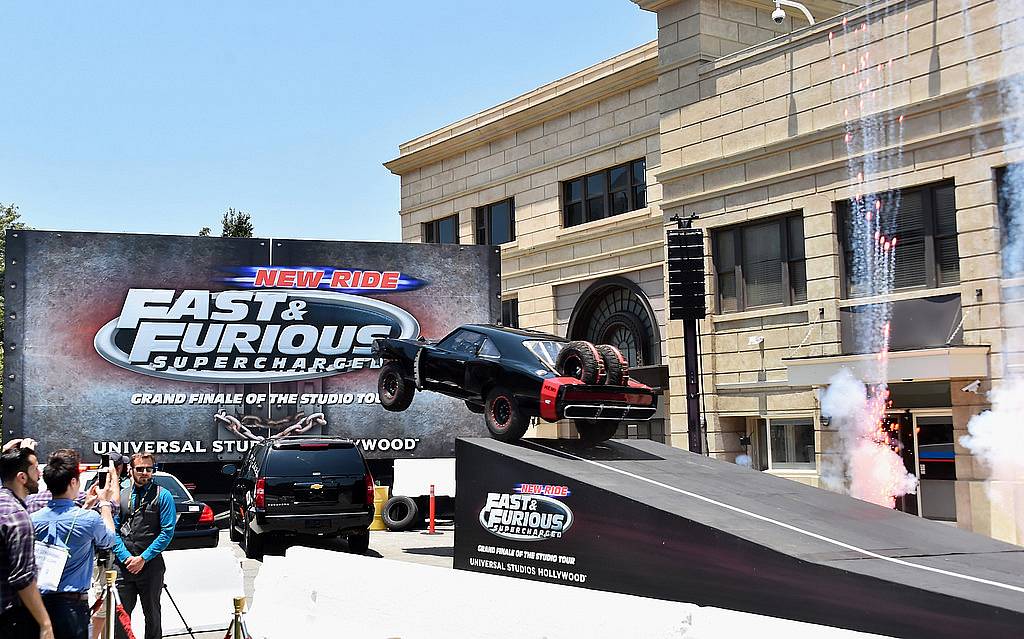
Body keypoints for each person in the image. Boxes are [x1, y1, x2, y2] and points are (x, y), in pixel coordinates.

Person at [31, 450, 118, 639]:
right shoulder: (89, 520)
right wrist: (104, 503)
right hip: (72, 606)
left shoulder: (32, 519)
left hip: (37, 604)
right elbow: (110, 539)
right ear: (73, 482)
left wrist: (86, 506)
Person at [112, 453, 174, 639]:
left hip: (151, 566)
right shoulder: (121, 495)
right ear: (131, 470)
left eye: (149, 469)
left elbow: (167, 532)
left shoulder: (163, 495)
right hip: (123, 566)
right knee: (120, 617)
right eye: (140, 469)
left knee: (153, 615)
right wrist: (126, 558)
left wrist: (143, 558)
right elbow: (112, 531)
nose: (145, 473)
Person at [0, 442, 55, 639]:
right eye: (35, 469)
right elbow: (22, 578)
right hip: (10, 618)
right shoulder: (18, 517)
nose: (39, 474)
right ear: (22, 477)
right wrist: (45, 622)